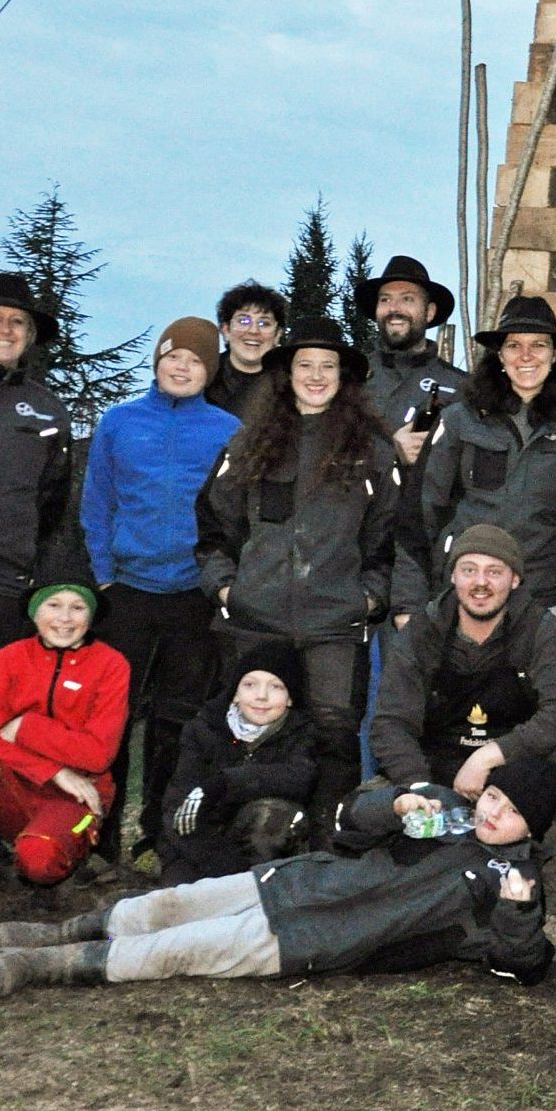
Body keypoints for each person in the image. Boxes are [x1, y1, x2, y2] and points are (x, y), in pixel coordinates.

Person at [0, 756, 556, 999]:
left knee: (174, 950)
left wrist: (515, 913)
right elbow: (344, 829)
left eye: (509, 811)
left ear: (529, 827)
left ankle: (40, 969)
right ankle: (57, 933)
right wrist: (391, 806)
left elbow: (524, 965)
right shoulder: (440, 803)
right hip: (289, 882)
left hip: (308, 941)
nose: (491, 812)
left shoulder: (511, 883)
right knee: (169, 905)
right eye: (492, 794)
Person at [195, 317, 400, 838]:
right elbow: (213, 529)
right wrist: (228, 589)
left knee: (334, 736)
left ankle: (329, 851)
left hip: (336, 625)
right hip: (256, 622)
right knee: (252, 733)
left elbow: (392, 538)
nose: (315, 375)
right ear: (286, 374)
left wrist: (368, 599)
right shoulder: (246, 448)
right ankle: (242, 847)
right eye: (305, 364)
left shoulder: (372, 453)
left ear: (343, 377)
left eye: (327, 366)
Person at [369, 525, 556, 948]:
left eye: (494, 572)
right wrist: (417, 783)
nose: (480, 583)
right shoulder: (422, 631)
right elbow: (391, 722)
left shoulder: (539, 629)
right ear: (452, 577)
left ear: (515, 580)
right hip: (437, 761)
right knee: (373, 807)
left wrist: (494, 754)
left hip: (514, 768)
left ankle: (554, 912)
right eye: (469, 569)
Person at [80, 316, 240, 867]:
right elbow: (96, 504)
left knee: (177, 719)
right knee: (111, 719)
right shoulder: (119, 423)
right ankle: (97, 838)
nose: (182, 367)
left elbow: (234, 513)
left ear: (209, 371)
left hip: (192, 595)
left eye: (196, 361)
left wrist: (220, 579)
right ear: (158, 362)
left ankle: (156, 838)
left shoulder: (227, 430)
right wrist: (103, 574)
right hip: (126, 589)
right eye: (174, 356)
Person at [0, 584, 128, 930]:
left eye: (77, 607)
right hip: (14, 787)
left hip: (75, 796)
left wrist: (24, 726)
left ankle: (63, 860)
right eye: (53, 605)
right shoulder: (11, 657)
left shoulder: (111, 664)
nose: (64, 619)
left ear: (91, 617)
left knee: (40, 861)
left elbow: (96, 754)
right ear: (35, 613)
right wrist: (54, 770)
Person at [412, 296, 556, 617]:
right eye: (513, 346)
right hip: (465, 592)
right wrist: (409, 600)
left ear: (555, 354)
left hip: (541, 598)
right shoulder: (459, 419)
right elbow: (421, 513)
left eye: (539, 345)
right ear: (499, 355)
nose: (526, 356)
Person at [0, 272, 74, 733]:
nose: (5, 329)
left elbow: (53, 502)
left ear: (29, 336)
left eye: (17, 322)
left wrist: (30, 567)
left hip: (1, 587)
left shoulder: (48, 410)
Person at [157, 641, 317, 884]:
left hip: (261, 852)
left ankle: (260, 893)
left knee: (274, 814)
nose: (261, 696)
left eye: (276, 687)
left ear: (291, 698)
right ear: (235, 693)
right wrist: (216, 862)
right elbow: (176, 805)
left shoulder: (302, 733)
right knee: (179, 903)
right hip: (201, 847)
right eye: (250, 685)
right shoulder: (202, 729)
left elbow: (298, 778)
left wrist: (224, 783)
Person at [352, 254, 467, 463]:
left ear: (429, 312)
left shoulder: (461, 387)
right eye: (385, 299)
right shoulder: (349, 377)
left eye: (407, 299)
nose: (394, 309)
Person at [204, 281, 288, 418]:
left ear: (277, 335)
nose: (253, 331)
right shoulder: (202, 379)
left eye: (264, 323)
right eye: (243, 321)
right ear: (226, 330)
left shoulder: (292, 386)